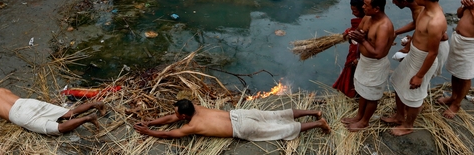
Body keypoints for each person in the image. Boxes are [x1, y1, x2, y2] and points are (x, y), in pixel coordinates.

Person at [382, 0, 446, 136]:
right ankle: (399, 116)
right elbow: (418, 28)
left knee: (414, 95)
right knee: (397, 81)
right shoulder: (424, 8)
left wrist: (419, 76)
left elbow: (432, 53)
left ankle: (408, 125)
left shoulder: (436, 21)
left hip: (423, 59)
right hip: (414, 54)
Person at [135, 98, 330, 140]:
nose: (175, 116)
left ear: (184, 116)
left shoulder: (192, 126)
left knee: (281, 130)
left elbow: (170, 133)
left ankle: (318, 123)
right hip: (241, 114)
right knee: (278, 115)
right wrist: (150, 122)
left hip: (242, 128)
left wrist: (148, 132)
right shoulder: (197, 108)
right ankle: (314, 112)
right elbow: (171, 117)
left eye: (178, 114)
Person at [341, 0, 395, 131]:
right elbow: (360, 31)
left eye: (366, 4)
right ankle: (359, 116)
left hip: (375, 65)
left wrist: (362, 40)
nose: (363, 7)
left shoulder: (384, 26)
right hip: (364, 61)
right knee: (362, 90)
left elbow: (378, 53)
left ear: (376, 8)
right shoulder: (367, 17)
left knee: (371, 96)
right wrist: (352, 35)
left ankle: (364, 121)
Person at [0, 79, 104, 134]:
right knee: (68, 113)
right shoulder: (2, 90)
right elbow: (0, 107)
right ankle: (95, 104)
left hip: (20, 115)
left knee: (58, 128)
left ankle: (88, 118)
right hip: (27, 103)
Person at [332, 0, 365, 98]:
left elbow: (362, 42)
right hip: (354, 52)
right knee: (353, 73)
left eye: (354, 11)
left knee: (357, 74)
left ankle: (356, 94)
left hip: (359, 55)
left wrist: (358, 58)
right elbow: (353, 30)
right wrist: (348, 31)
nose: (352, 13)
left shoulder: (367, 24)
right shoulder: (359, 22)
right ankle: (353, 93)